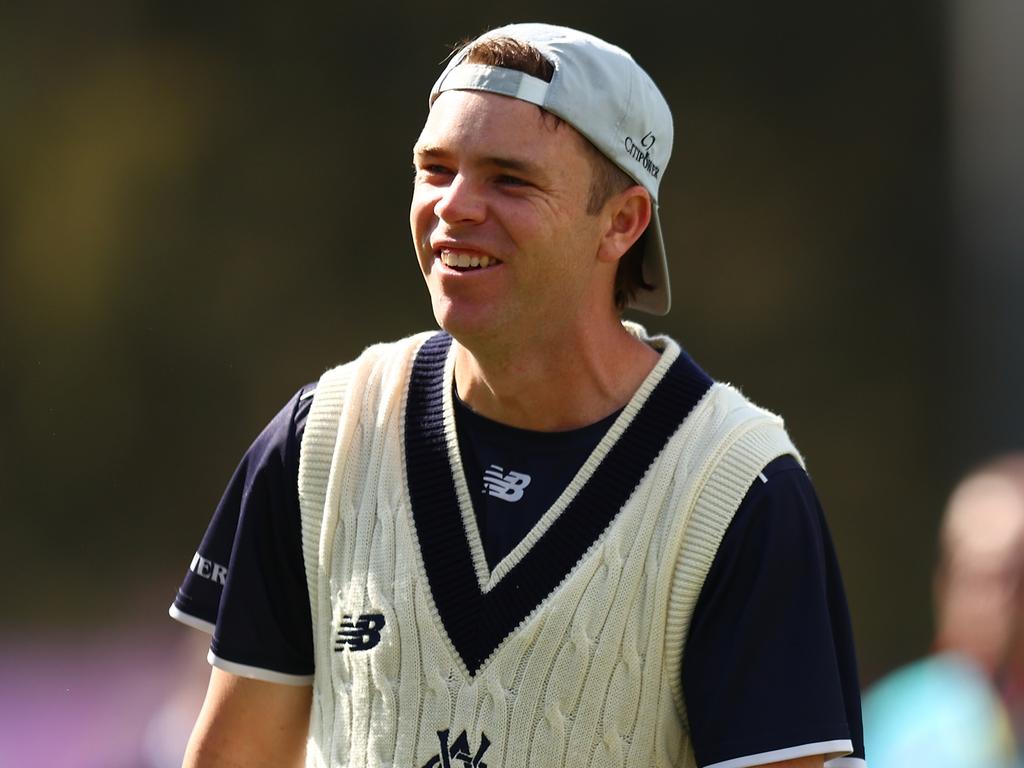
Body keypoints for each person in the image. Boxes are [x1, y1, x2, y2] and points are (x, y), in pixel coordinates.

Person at [170, 23, 866, 768]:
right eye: (435, 169)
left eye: (509, 178)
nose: (455, 206)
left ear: (623, 223)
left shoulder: (735, 491)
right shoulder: (322, 442)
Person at [863, 454, 1024, 767]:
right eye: (966, 570)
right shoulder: (894, 726)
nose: (983, 599)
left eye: (1008, 576)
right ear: (942, 583)